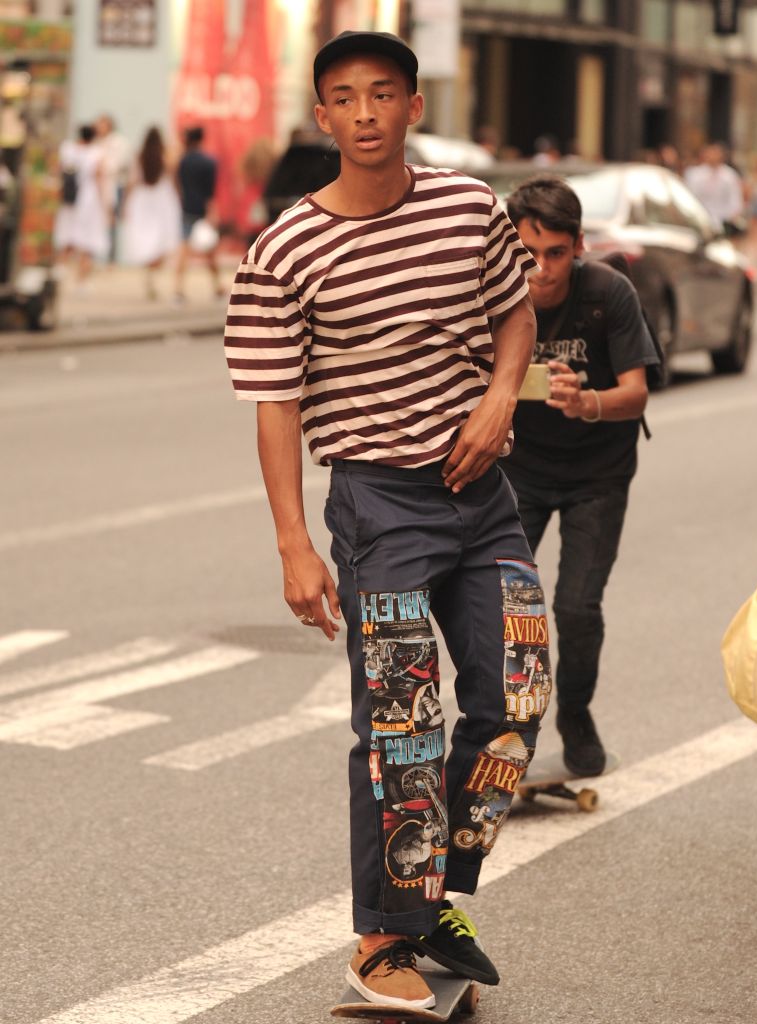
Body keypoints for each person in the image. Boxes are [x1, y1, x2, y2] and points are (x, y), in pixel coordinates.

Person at [224, 30, 550, 1015]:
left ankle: (435, 894)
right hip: (378, 503)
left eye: (382, 94)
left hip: (483, 497)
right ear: (321, 116)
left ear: (413, 105)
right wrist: (293, 543)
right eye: (343, 97)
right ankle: (382, 937)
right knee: (402, 729)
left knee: (518, 697)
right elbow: (274, 402)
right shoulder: (287, 247)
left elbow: (515, 313)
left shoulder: (466, 207)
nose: (364, 112)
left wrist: (501, 398)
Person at [501, 176, 659, 778]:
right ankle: (504, 732)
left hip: (599, 473)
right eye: (527, 254)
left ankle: (575, 715)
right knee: (505, 608)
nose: (540, 270)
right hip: (520, 470)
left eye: (556, 254)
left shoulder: (607, 292)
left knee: (576, 607)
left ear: (579, 245)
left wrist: (585, 400)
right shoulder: (495, 298)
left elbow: (637, 394)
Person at [122, 126, 182, 299]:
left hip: (143, 201)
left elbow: (132, 181)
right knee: (161, 240)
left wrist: (126, 204)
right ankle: (152, 274)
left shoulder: (139, 157)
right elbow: (173, 177)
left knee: (147, 238)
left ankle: (149, 274)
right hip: (161, 201)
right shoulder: (165, 156)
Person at [53, 125, 109, 285]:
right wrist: (105, 204)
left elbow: (58, 171)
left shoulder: (68, 150)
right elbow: (99, 178)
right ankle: (81, 278)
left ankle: (59, 272)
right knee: (87, 241)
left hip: (69, 199)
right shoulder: (96, 154)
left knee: (66, 237)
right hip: (89, 200)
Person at [175, 126, 221, 300]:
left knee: (184, 251)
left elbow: (179, 186)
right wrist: (212, 212)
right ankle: (217, 287)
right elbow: (210, 191)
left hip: (187, 208)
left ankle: (178, 289)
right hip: (202, 210)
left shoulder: (183, 161)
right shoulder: (209, 162)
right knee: (210, 252)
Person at [95, 114, 132, 262]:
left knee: (111, 221)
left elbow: (120, 164)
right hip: (99, 187)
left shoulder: (119, 143)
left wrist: (104, 168)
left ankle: (111, 257)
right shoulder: (97, 142)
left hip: (113, 185)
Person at [684, 142, 744, 231]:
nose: (713, 156)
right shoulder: (694, 174)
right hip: (699, 221)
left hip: (723, 222)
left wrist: (731, 218)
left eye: (716, 153)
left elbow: (735, 200)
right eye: (711, 152)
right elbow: (689, 197)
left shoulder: (729, 175)